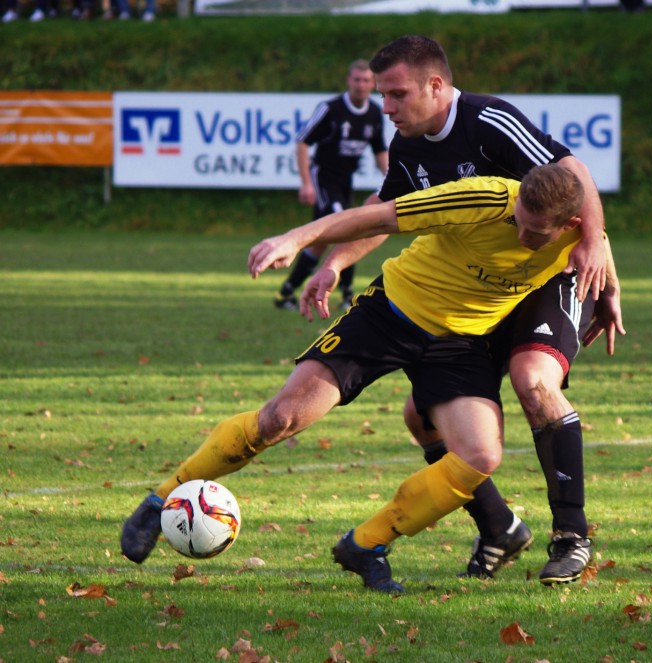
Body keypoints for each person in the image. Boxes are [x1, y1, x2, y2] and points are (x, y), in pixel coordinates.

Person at [121, 165, 588, 595]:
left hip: (460, 343)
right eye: (518, 221)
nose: (522, 233)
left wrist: (609, 296)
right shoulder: (484, 200)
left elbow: (597, 261)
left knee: (480, 454)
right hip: (392, 313)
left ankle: (365, 545)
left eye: (535, 231)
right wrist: (300, 240)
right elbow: (376, 217)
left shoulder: (584, 240)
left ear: (569, 226)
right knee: (282, 417)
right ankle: (158, 501)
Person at [301, 36, 622, 585]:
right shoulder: (408, 146)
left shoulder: (490, 121)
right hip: (480, 288)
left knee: (532, 379)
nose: (387, 107)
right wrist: (334, 263)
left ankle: (571, 536)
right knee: (419, 416)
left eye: (396, 93)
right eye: (383, 95)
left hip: (549, 275)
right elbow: (385, 214)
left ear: (434, 86)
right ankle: (499, 527)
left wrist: (594, 243)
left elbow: (574, 171)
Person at [274, 60, 389, 311]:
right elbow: (302, 143)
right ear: (349, 81)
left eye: (367, 80)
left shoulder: (374, 113)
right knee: (347, 227)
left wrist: (393, 177)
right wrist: (306, 184)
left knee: (322, 241)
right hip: (323, 177)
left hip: (345, 181)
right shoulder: (330, 109)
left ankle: (286, 293)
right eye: (357, 80)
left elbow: (379, 149)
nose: (361, 85)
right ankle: (347, 295)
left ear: (374, 84)